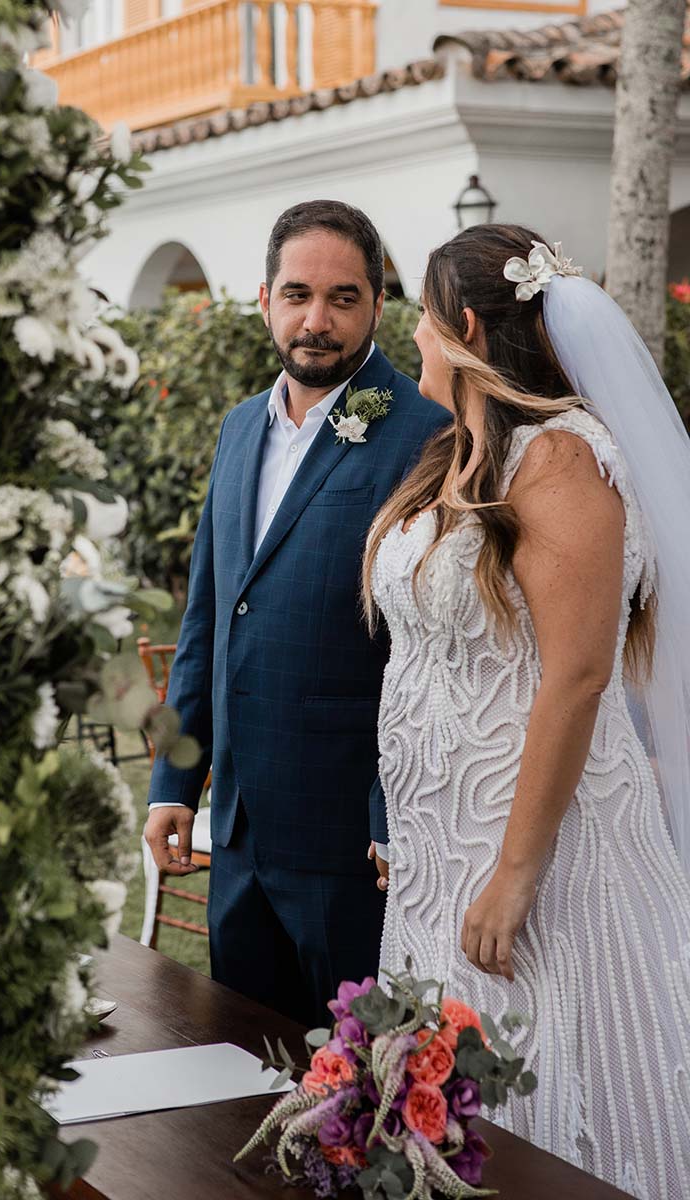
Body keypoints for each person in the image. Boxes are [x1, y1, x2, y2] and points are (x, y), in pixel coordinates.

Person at [366, 223, 690, 1196]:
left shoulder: (559, 458)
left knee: (547, 1101)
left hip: (538, 859)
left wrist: (514, 873)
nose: (412, 337)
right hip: (438, 852)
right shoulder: (461, 458)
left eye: (419, 317)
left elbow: (577, 675)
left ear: (462, 323)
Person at [144, 200, 450, 1027]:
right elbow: (209, 619)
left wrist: (393, 818)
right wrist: (174, 781)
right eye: (297, 294)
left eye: (343, 298)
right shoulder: (239, 427)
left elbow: (425, 652)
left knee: (353, 1093)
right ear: (264, 298)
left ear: (378, 304)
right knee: (236, 1080)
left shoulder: (428, 435)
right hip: (238, 836)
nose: (317, 320)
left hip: (349, 844)